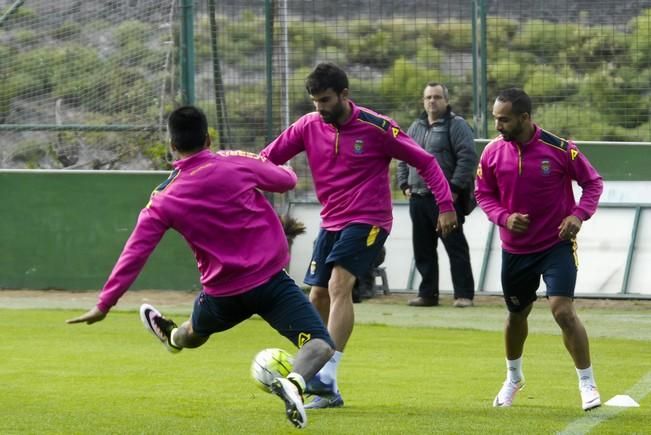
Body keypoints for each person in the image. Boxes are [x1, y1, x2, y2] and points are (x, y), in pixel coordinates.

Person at [66, 106, 335, 429]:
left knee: (194, 333)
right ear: (208, 137)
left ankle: (173, 339)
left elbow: (134, 252)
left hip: (222, 295)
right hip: (271, 285)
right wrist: (259, 162)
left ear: (172, 145)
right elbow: (287, 180)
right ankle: (293, 383)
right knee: (320, 345)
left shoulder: (163, 198)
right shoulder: (235, 163)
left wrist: (104, 304)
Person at [260, 62, 457, 409]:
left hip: (370, 220)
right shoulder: (308, 126)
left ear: (344, 95)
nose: (319, 108)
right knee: (318, 294)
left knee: (339, 285)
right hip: (331, 222)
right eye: (314, 101)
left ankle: (326, 377)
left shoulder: (377, 127)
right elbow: (265, 159)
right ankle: (319, 376)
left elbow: (426, 162)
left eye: (325, 100)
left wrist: (445, 206)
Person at [475, 88, 603, 411]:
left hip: (555, 245)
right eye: (495, 119)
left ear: (525, 118)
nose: (498, 126)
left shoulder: (560, 149)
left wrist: (578, 215)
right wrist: (504, 218)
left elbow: (593, 183)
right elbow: (483, 194)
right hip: (515, 251)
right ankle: (513, 378)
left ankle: (587, 382)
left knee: (562, 310)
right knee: (517, 314)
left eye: (504, 120)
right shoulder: (491, 153)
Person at [397, 82, 478, 308]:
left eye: (437, 97)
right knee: (423, 249)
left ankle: (463, 295)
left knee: (455, 247)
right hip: (418, 198)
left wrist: (453, 189)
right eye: (428, 97)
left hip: (445, 201)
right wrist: (404, 184)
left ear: (446, 100)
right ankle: (427, 294)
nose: (432, 101)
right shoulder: (415, 127)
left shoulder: (457, 125)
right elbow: (403, 156)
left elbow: (467, 158)